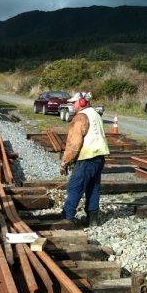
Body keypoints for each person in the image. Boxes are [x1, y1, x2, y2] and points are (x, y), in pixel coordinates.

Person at [60, 92, 109, 227]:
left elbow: (74, 144)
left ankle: (67, 218)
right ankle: (92, 219)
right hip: (99, 158)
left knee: (75, 187)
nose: (73, 105)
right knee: (93, 188)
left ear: (81, 102)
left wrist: (65, 162)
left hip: (86, 159)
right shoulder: (96, 114)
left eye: (74, 103)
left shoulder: (81, 117)